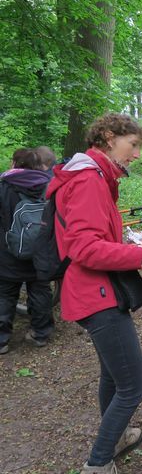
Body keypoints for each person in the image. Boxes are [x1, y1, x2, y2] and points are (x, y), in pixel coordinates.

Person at [46, 113, 142, 474]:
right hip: (96, 294)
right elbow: (84, 248)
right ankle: (98, 463)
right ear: (109, 137)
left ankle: (119, 437)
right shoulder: (89, 179)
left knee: (114, 374)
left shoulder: (94, 175)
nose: (137, 154)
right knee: (133, 386)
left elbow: (100, 236)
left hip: (94, 290)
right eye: (134, 145)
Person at [0, 148, 55, 354]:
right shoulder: (49, 185)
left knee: (5, 294)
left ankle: (2, 340)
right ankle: (40, 334)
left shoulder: (4, 186)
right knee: (40, 290)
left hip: (7, 252)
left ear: (15, 163)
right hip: (40, 251)